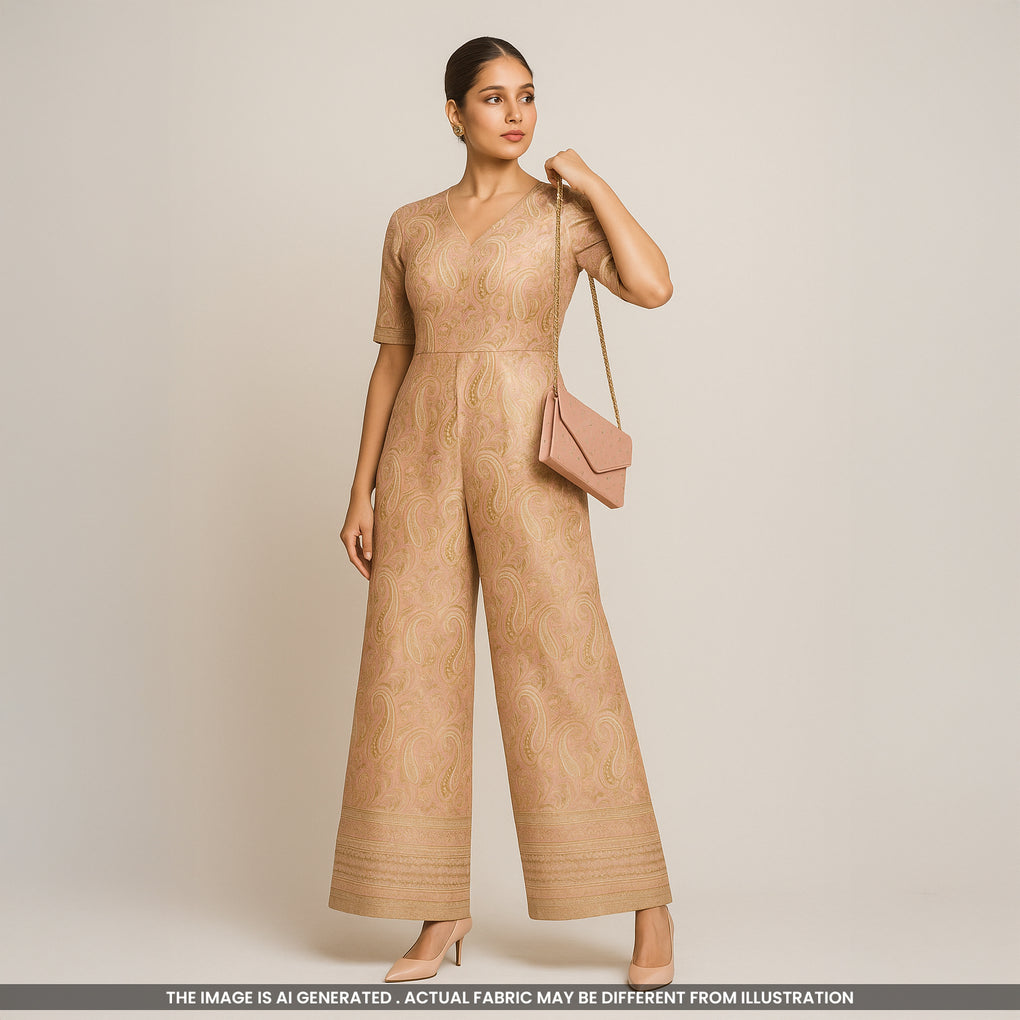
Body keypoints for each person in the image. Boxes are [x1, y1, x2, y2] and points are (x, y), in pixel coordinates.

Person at [329, 36, 675, 989]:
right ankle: (438, 908)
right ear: (454, 114)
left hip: (529, 459)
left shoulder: (564, 216)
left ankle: (648, 905)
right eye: (492, 98)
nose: (516, 113)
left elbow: (654, 286)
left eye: (527, 96)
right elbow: (392, 359)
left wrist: (593, 181)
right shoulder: (409, 225)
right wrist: (360, 489)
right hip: (420, 459)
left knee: (566, 667)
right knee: (410, 676)